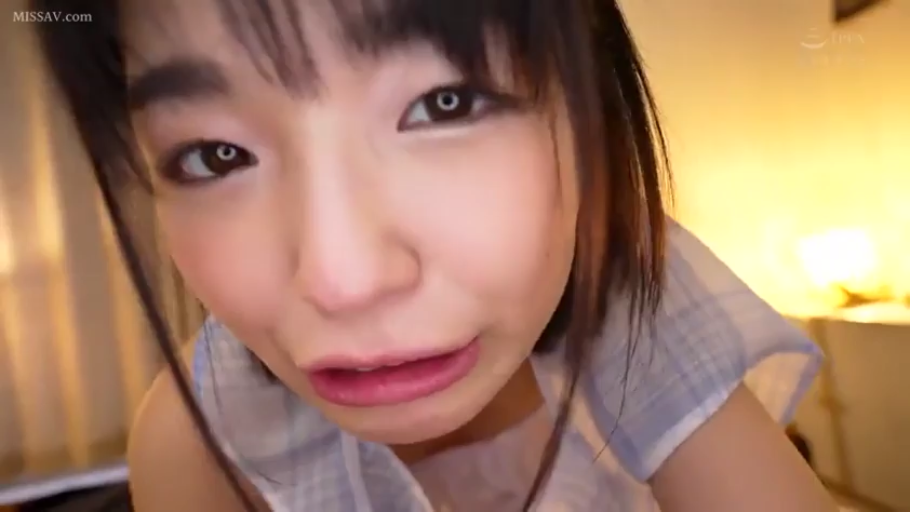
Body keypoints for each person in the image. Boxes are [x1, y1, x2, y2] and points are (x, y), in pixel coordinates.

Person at [33, 0, 839, 510]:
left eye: (444, 104)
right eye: (215, 156)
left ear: (588, 106)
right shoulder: (196, 440)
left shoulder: (633, 311)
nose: (343, 281)